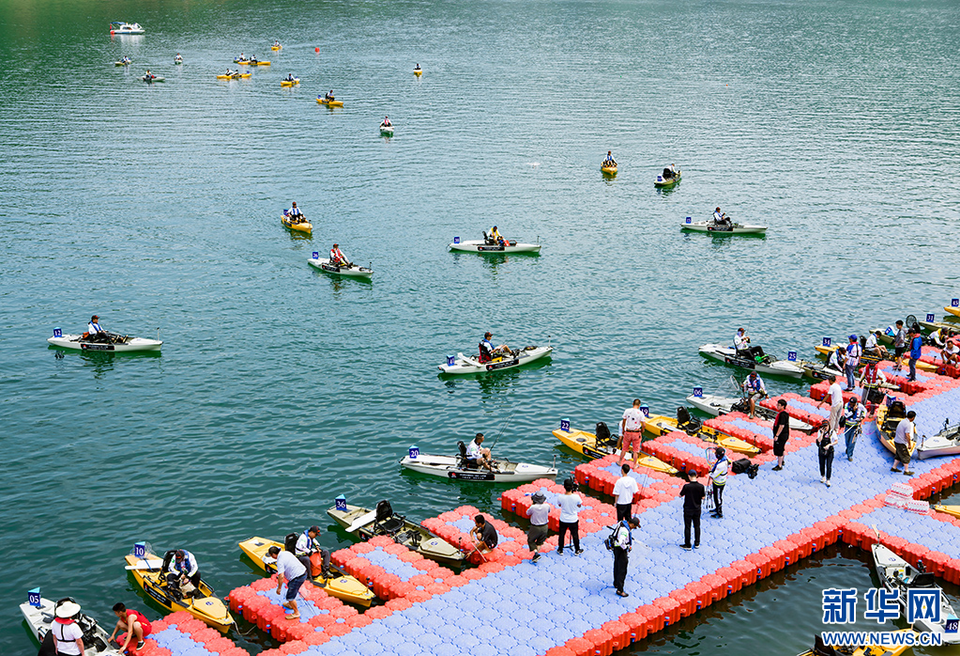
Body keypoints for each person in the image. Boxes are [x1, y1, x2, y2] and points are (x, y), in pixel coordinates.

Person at [267, 545, 308, 620]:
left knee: (290, 596)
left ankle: (296, 613)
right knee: (290, 586)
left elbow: (281, 576)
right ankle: (290, 604)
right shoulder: (286, 553)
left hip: (298, 577)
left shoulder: (280, 561)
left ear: (273, 555)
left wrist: (279, 588)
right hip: (303, 572)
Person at [611, 515, 640, 598]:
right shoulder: (625, 531)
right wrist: (626, 548)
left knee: (616, 565)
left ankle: (616, 582)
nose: (633, 529)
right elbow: (621, 541)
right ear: (631, 524)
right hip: (621, 550)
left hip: (616, 548)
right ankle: (620, 590)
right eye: (634, 527)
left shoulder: (621, 523)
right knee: (622, 570)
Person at [679, 470, 706, 550]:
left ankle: (688, 544)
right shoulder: (701, 486)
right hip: (697, 509)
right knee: (697, 526)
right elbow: (703, 497)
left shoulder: (686, 486)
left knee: (687, 527)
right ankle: (697, 543)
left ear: (689, 476)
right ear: (696, 476)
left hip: (688, 509)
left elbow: (680, 495)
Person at [556, 478, 583, 555]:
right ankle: (577, 549)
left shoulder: (560, 497)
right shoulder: (576, 497)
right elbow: (579, 505)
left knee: (561, 535)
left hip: (563, 519)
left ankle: (560, 549)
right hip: (573, 519)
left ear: (564, 487)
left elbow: (559, 504)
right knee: (575, 535)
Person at [618, 399, 646, 466]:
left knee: (624, 448)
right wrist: (642, 430)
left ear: (632, 403)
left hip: (628, 432)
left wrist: (623, 430)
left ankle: (619, 461)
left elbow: (624, 421)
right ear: (639, 405)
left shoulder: (627, 411)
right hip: (636, 433)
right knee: (635, 450)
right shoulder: (641, 413)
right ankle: (634, 465)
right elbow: (644, 425)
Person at [525, 492, 550, 562]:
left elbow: (527, 513)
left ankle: (536, 553)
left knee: (530, 540)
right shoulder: (547, 506)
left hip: (535, 527)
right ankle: (536, 556)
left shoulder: (533, 507)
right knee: (539, 542)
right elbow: (548, 511)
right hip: (545, 526)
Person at [891, 410, 917, 476]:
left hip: (897, 440)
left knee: (898, 455)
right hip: (901, 442)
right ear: (913, 418)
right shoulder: (908, 424)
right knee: (906, 456)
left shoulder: (903, 421)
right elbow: (907, 435)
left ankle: (894, 467)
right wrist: (909, 444)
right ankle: (906, 471)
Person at [843, 396, 866, 461]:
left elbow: (865, 411)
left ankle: (850, 455)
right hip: (848, 426)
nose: (851, 404)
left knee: (852, 442)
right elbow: (846, 415)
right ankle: (848, 448)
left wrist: (862, 417)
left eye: (853, 404)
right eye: (850, 403)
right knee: (847, 440)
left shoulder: (860, 406)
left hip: (855, 427)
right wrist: (853, 411)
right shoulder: (846, 405)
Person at [817, 422, 839, 487]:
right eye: (824, 426)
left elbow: (836, 441)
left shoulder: (832, 432)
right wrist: (822, 433)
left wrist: (830, 445)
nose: (825, 428)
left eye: (826, 426)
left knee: (829, 465)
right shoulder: (820, 431)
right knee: (822, 464)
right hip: (822, 449)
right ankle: (823, 475)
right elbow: (819, 440)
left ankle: (828, 479)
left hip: (830, 450)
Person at [708, 447, 727, 518]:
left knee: (718, 497)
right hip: (717, 481)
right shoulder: (723, 459)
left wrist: (710, 473)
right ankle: (716, 508)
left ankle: (719, 512)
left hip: (719, 483)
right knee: (715, 496)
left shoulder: (721, 465)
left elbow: (714, 475)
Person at [772, 399, 790, 471]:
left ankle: (779, 465)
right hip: (785, 434)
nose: (777, 406)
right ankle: (782, 461)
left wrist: (776, 435)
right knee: (782, 448)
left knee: (779, 449)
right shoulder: (785, 413)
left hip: (781, 435)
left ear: (783, 406)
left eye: (779, 405)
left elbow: (781, 426)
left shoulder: (782, 415)